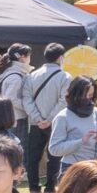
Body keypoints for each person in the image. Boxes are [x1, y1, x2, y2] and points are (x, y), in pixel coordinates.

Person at [47, 74, 97, 189]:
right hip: (71, 168)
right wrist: (80, 141)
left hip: (95, 167)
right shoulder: (62, 117)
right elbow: (54, 149)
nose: (86, 99)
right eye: (83, 95)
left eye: (90, 96)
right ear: (74, 94)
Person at [22, 44, 71, 184]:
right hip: (56, 122)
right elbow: (64, 100)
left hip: (35, 123)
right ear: (60, 58)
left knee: (33, 157)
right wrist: (49, 119)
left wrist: (38, 118)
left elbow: (26, 99)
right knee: (54, 155)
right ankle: (50, 187)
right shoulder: (65, 76)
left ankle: (34, 188)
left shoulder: (31, 76)